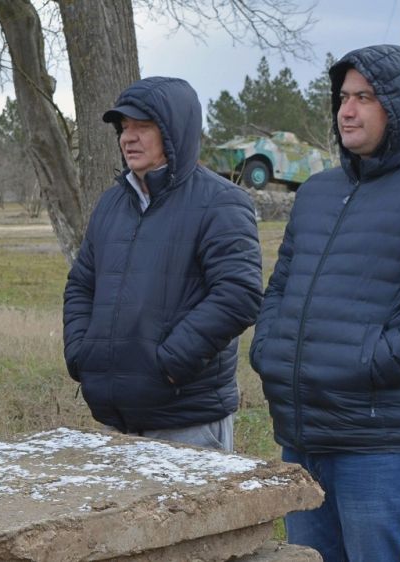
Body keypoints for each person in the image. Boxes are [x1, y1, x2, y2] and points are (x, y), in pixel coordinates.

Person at [249, 45, 400, 562]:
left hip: (383, 444)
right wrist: (268, 351)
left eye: (364, 97)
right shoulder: (316, 192)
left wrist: (366, 362)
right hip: (304, 434)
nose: (347, 110)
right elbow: (280, 288)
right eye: (343, 97)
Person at [62, 76, 263, 451]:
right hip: (117, 423)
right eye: (124, 128)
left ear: (174, 131)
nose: (128, 137)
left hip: (188, 422)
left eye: (143, 127)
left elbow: (239, 294)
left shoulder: (221, 202)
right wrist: (81, 355)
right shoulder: (111, 204)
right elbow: (81, 285)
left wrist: (168, 365)